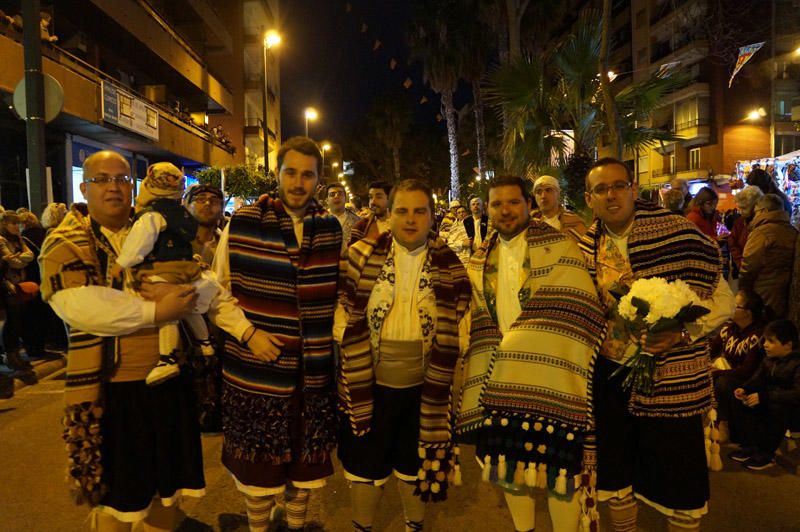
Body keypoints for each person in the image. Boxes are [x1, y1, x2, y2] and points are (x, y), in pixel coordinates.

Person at [39, 150, 213, 530]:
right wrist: (157, 312)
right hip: (113, 391)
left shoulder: (155, 227)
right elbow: (81, 305)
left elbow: (196, 276)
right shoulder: (65, 242)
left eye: (121, 179)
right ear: (85, 188)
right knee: (117, 501)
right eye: (103, 180)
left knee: (168, 493)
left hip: (170, 382)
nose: (114, 187)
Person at [577, 158, 734, 532]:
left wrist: (681, 334)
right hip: (608, 379)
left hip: (670, 378)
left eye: (619, 185)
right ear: (589, 198)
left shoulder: (679, 235)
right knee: (616, 477)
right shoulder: (582, 249)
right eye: (601, 189)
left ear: (634, 189)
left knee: (678, 479)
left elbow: (723, 301)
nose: (611, 195)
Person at [456, 176, 607, 532]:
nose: (505, 210)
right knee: (508, 471)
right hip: (500, 381)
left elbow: (582, 307)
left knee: (559, 476)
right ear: (488, 210)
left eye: (513, 202)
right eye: (497, 204)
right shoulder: (478, 259)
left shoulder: (561, 247)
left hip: (551, 380)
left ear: (528, 204)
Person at [212, 136, 342, 532]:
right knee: (258, 473)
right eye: (291, 173)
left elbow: (341, 293)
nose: (298, 183)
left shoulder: (332, 228)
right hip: (256, 370)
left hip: (312, 373)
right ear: (278, 174)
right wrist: (249, 334)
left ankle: (297, 527)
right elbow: (216, 290)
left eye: (307, 174)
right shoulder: (244, 222)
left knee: (304, 469)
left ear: (318, 180)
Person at [336, 179, 471, 532]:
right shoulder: (358, 257)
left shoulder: (452, 266)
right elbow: (342, 315)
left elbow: (462, 321)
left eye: (419, 211)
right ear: (389, 215)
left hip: (424, 391)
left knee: (415, 468)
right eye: (402, 211)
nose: (410, 219)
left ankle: (414, 526)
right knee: (365, 472)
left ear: (431, 216)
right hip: (368, 386)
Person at [730, 319, 800, 470]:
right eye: (765, 340)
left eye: (771, 341)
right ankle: (751, 446)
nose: (765, 344)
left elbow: (797, 394)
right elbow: (758, 378)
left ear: (788, 345)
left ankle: (767, 454)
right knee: (744, 401)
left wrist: (764, 397)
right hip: (772, 398)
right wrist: (745, 390)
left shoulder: (797, 363)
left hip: (792, 408)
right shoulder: (769, 359)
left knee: (776, 407)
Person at [709, 290, 766, 443]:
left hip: (747, 381)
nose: (730, 307)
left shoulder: (758, 335)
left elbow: (747, 371)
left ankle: (723, 424)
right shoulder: (729, 328)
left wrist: (717, 373)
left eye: (735, 305)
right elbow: (711, 350)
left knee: (723, 382)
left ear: (748, 312)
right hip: (726, 372)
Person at [739, 193, 798, 320]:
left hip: (762, 291)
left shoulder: (761, 233)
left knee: (762, 325)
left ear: (764, 211)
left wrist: (743, 288)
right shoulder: (792, 231)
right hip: (784, 291)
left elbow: (749, 265)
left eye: (756, 212)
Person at [0, 210, 36, 373]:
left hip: (20, 284)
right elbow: (13, 262)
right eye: (13, 223)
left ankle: (15, 354)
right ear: (4, 224)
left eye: (18, 223)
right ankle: (10, 354)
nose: (17, 226)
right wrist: (19, 259)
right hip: (9, 285)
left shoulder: (19, 239)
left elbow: (30, 255)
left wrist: (19, 258)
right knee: (12, 321)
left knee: (19, 320)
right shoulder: (1, 240)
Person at [530, 175, 587, 239]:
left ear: (558, 194)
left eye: (548, 190)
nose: (543, 196)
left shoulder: (573, 221)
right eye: (539, 191)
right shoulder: (529, 221)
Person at [183, 184, 224, 265]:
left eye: (214, 201)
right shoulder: (172, 241)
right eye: (201, 199)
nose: (208, 203)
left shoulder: (226, 246)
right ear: (187, 206)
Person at [727, 186, 763, 280]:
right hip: (745, 269)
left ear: (755, 206)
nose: (740, 211)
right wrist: (740, 262)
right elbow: (732, 242)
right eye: (739, 208)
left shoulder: (762, 221)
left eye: (744, 208)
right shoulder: (740, 222)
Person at [326, 182, 361, 253]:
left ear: (345, 198)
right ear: (327, 200)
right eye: (332, 194)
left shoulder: (358, 221)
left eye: (340, 194)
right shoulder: (318, 221)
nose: (336, 196)